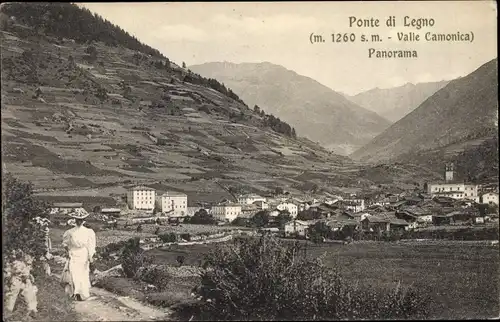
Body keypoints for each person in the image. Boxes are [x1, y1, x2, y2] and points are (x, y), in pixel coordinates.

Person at [62, 208, 96, 301]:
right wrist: (68, 251)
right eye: (77, 220)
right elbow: (65, 243)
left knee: (83, 274)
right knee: (74, 273)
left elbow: (90, 245)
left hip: (83, 255)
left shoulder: (88, 232)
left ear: (83, 221)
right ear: (75, 220)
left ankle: (82, 294)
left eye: (81, 220)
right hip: (73, 254)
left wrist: (90, 256)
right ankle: (75, 293)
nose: (79, 221)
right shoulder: (70, 232)